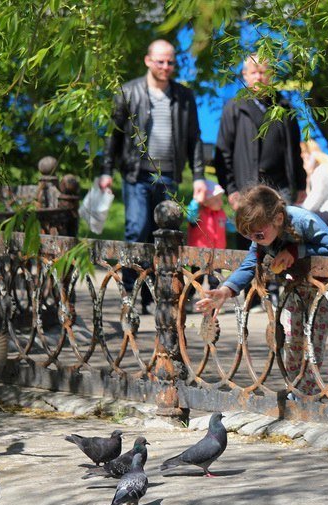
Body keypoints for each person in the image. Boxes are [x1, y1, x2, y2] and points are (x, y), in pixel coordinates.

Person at [195, 185, 328, 395]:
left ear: (278, 219)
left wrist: (295, 251)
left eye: (257, 234)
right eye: (248, 236)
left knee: (313, 340)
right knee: (292, 338)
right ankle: (295, 389)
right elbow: (251, 263)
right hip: (296, 283)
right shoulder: (262, 234)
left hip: (324, 282)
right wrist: (226, 290)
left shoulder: (302, 220)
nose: (254, 240)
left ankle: (308, 395)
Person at [100, 39, 206, 315]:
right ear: (148, 61)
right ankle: (130, 290)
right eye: (160, 61)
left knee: (164, 236)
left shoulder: (183, 96)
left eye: (170, 62)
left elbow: (194, 138)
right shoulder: (128, 92)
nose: (165, 66)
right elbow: (113, 136)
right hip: (137, 174)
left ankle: (157, 294)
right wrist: (106, 171)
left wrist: (198, 176)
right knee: (137, 229)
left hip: (168, 175)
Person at [214, 53, 307, 210]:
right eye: (254, 72)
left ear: (272, 74)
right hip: (247, 189)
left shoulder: (285, 108)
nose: (258, 77)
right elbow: (223, 152)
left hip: (281, 187)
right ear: (245, 75)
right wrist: (231, 189)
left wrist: (300, 184)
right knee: (252, 226)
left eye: (263, 72)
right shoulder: (235, 108)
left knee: (281, 224)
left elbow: (295, 150)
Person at [186, 180, 236, 289]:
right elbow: (190, 216)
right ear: (205, 201)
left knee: (215, 280)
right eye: (216, 200)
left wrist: (237, 214)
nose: (221, 203)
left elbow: (232, 227)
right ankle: (189, 297)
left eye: (221, 199)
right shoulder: (199, 213)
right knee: (195, 279)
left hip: (217, 254)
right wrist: (197, 200)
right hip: (199, 254)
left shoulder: (221, 213)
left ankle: (213, 297)